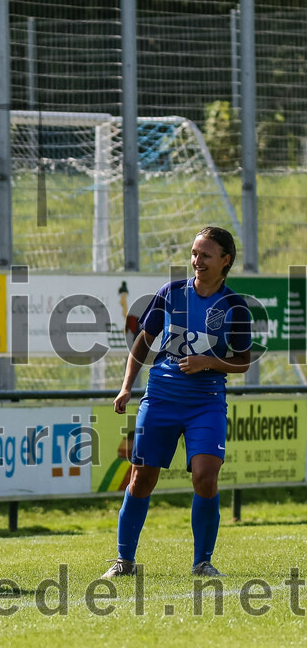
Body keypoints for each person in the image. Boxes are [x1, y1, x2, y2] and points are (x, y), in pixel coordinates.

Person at [104, 227, 251, 579]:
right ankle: (124, 561)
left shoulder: (235, 306)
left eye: (205, 255)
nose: (196, 261)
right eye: (194, 253)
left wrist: (209, 362)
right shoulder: (171, 293)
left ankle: (203, 562)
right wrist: (126, 387)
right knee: (141, 478)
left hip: (206, 401)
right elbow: (142, 343)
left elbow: (243, 361)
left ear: (225, 261)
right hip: (162, 397)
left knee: (205, 476)